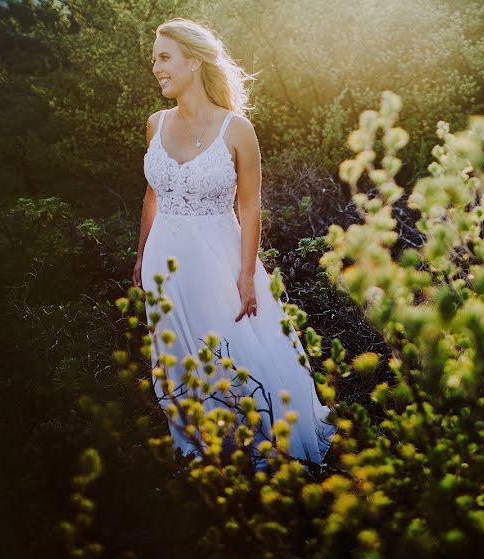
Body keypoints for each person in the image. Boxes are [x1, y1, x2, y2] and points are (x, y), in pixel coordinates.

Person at [131, 17, 337, 473]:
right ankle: (201, 440)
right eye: (154, 60)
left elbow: (249, 208)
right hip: (165, 256)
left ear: (194, 60)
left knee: (235, 347)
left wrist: (246, 275)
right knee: (178, 349)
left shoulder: (236, 129)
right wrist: (142, 254)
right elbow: (152, 195)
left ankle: (264, 441)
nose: (156, 68)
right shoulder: (155, 123)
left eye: (164, 57)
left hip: (219, 258)